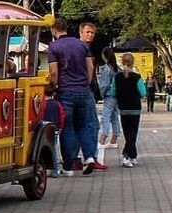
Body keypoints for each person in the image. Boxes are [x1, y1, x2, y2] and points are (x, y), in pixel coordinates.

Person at [47, 16, 99, 176]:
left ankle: (69, 166)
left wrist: (53, 87)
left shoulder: (54, 47)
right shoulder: (82, 45)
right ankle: (89, 157)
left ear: (53, 29)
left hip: (65, 91)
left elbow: (54, 72)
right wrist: (86, 83)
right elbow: (90, 66)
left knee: (67, 128)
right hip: (83, 90)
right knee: (83, 126)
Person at [109, 52, 146, 167]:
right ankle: (127, 155)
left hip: (123, 108)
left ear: (122, 62)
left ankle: (133, 155)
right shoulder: (137, 77)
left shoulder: (117, 77)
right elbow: (143, 93)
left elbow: (113, 92)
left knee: (127, 133)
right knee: (133, 133)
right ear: (133, 63)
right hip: (135, 108)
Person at [97, 48, 120, 148]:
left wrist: (101, 94)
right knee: (115, 116)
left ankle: (103, 138)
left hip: (109, 95)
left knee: (105, 116)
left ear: (104, 56)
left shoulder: (106, 68)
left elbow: (104, 85)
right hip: (117, 95)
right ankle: (114, 138)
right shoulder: (117, 68)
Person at [41, 84, 66, 177]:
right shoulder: (57, 104)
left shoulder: (43, 104)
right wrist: (60, 127)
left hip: (44, 129)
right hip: (55, 129)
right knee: (54, 149)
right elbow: (62, 115)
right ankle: (54, 170)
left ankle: (49, 170)